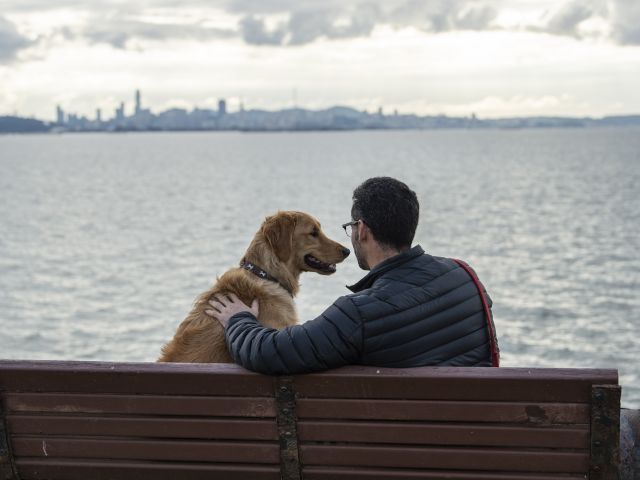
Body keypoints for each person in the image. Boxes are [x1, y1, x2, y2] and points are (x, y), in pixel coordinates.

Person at [206, 177, 499, 374]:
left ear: (362, 230)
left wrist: (238, 319)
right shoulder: (466, 277)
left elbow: (269, 353)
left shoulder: (356, 314)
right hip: (479, 447)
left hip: (398, 454)